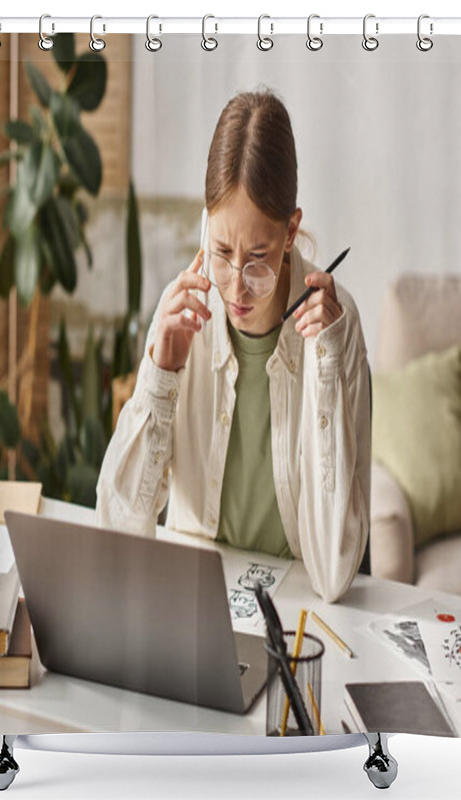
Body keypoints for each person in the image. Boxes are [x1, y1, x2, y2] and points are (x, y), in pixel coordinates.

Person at [96, 89, 370, 603]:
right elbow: (116, 531)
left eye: (259, 257)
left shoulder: (337, 323)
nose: (237, 287)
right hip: (191, 605)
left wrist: (327, 365)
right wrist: (161, 374)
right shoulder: (182, 312)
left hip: (294, 614)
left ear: (291, 231)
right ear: (204, 224)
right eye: (221, 252)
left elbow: (333, 575)